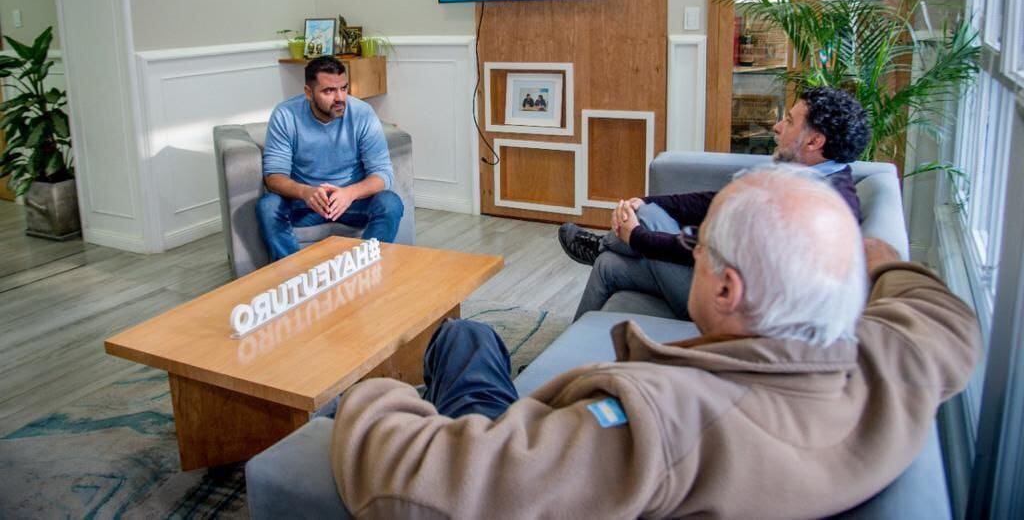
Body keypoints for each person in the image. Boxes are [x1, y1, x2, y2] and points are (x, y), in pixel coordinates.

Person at [327, 166, 980, 518]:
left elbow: (427, 486)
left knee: (462, 341)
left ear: (727, 289)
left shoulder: (663, 426)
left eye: (699, 250)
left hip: (516, 452)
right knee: (472, 337)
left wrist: (367, 400)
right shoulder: (887, 365)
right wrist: (885, 261)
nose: (691, 255)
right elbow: (944, 317)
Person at [560, 86, 870, 320]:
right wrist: (647, 200)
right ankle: (566, 353)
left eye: (788, 121)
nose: (777, 126)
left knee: (648, 217)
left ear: (815, 142)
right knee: (609, 265)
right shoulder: (805, 174)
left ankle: (604, 243)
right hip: (727, 280)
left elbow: (718, 248)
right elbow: (718, 201)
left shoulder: (812, 204)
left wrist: (638, 236)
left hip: (735, 306)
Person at [256, 56, 404, 261]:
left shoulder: (362, 113)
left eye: (344, 88)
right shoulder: (286, 115)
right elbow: (273, 177)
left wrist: (349, 193)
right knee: (268, 205)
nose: (340, 98)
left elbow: (383, 174)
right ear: (309, 92)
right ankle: (293, 275)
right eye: (328, 91)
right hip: (304, 203)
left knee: (390, 203)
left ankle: (366, 267)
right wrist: (305, 192)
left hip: (351, 202)